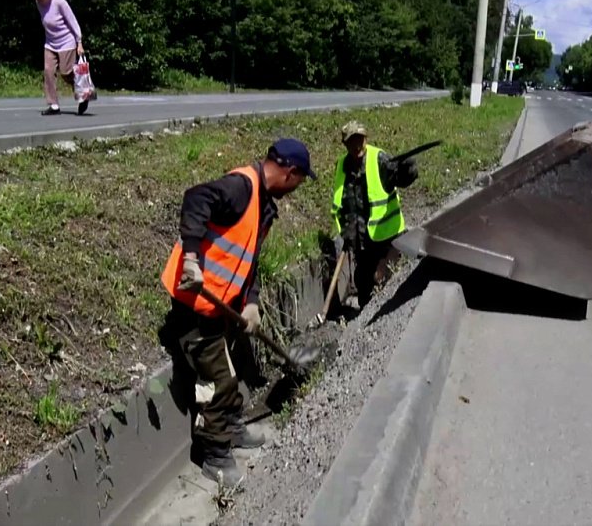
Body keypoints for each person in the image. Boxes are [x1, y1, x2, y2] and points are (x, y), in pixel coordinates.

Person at [159, 138, 317, 487]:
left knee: (231, 369)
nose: (296, 189)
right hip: (194, 304)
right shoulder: (241, 187)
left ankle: (230, 429)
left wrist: (252, 302)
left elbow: (249, 260)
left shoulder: (263, 206)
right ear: (290, 173)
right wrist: (190, 258)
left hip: (222, 306)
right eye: (300, 181)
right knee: (217, 382)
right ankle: (214, 455)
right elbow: (195, 198)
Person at [331, 120, 418, 308]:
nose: (357, 145)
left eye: (360, 139)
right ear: (345, 144)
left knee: (380, 279)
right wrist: (347, 233)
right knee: (362, 283)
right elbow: (342, 202)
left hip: (388, 240)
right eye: (351, 141)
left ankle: (383, 316)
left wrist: (408, 170)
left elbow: (400, 177)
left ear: (365, 139)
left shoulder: (379, 159)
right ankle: (360, 325)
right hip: (363, 241)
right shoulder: (342, 166)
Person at [30, 0, 89, 116]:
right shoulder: (39, 3)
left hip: (66, 42)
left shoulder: (59, 2)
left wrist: (79, 42)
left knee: (66, 73)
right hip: (50, 43)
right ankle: (54, 105)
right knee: (48, 71)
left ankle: (83, 93)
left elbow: (72, 20)